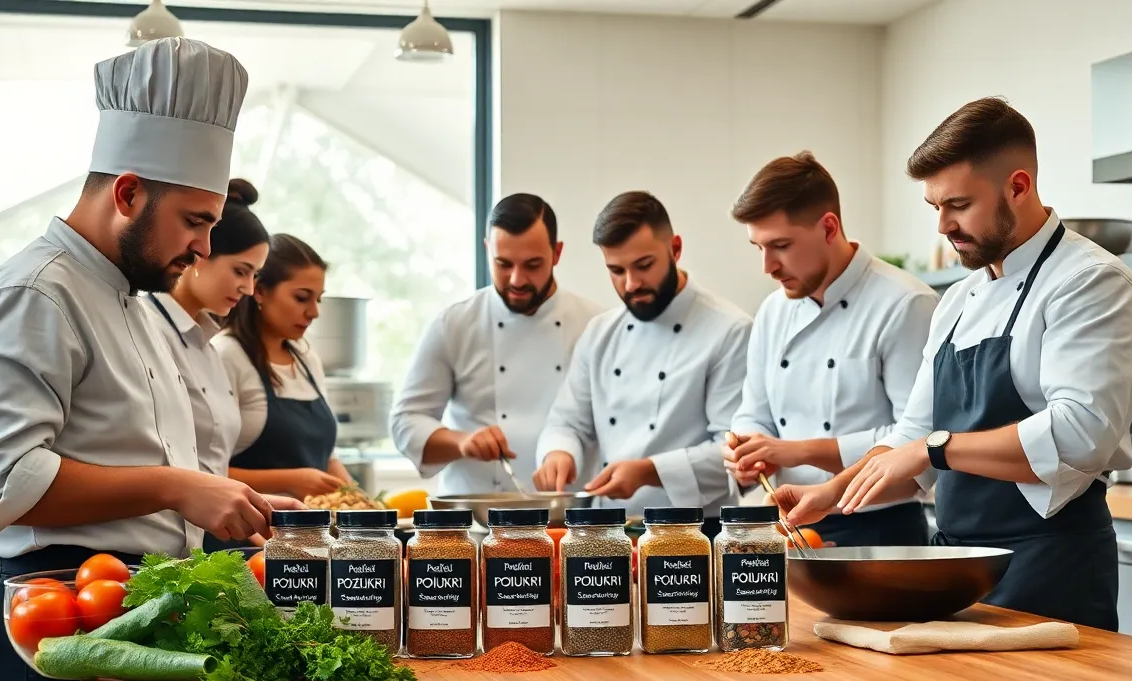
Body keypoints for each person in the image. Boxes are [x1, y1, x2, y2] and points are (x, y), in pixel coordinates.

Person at [0, 39, 301, 681]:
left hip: (130, 614)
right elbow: (1, 482)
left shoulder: (131, 298)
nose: (203, 246)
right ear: (127, 194)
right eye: (194, 221)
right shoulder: (36, 292)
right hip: (55, 622)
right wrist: (175, 486)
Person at [774, 97, 1132, 635]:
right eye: (934, 205)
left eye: (957, 204)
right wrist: (831, 495)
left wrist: (937, 447)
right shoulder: (959, 300)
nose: (942, 224)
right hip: (956, 571)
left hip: (1049, 567)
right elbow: (911, 439)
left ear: (1018, 187)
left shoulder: (1091, 283)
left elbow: (1081, 434)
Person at [722, 151, 938, 547]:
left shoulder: (905, 304)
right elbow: (753, 410)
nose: (768, 266)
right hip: (788, 527)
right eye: (759, 248)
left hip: (880, 532)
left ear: (828, 226)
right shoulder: (772, 311)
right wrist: (749, 448)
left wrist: (796, 451)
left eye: (781, 245)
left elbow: (916, 440)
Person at [534, 191, 751, 535]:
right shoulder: (600, 333)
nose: (631, 284)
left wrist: (649, 471)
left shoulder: (729, 330)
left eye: (644, 266)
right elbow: (567, 421)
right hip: (607, 528)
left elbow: (734, 454)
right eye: (616, 271)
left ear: (675, 249)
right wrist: (559, 454)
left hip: (693, 530)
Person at [390, 194, 602, 494]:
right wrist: (461, 442)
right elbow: (405, 421)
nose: (517, 279)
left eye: (532, 265)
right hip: (474, 521)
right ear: (487, 250)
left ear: (556, 253)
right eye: (503, 264)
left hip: (570, 520)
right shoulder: (454, 323)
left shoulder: (595, 325)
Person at [213, 233, 353, 528]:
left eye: (318, 299)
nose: (314, 312)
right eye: (302, 298)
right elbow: (203, 472)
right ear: (260, 291)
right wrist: (292, 479)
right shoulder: (226, 355)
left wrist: (361, 504)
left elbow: (325, 457)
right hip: (247, 537)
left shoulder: (306, 356)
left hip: (311, 534)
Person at [145, 178, 269, 481]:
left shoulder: (208, 345)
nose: (249, 288)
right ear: (202, 253)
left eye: (255, 275)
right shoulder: (147, 329)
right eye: (241, 271)